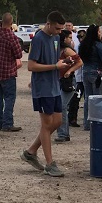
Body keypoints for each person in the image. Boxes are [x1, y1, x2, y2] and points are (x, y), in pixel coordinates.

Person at [21, 11, 70, 177]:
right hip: (43, 88)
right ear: (48, 24)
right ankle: (50, 164)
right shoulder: (38, 39)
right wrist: (55, 67)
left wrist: (64, 63)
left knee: (57, 122)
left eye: (61, 29)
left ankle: (31, 151)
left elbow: (55, 59)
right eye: (57, 28)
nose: (59, 31)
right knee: (46, 124)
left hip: (54, 86)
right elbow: (31, 66)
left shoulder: (56, 38)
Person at [0, 13, 23, 132]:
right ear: (11, 22)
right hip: (8, 72)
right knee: (9, 98)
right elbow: (19, 54)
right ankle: (7, 123)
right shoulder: (12, 37)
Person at [79, 24, 102, 130]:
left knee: (88, 98)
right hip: (98, 72)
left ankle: (87, 123)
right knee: (98, 98)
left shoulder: (83, 44)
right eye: (99, 31)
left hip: (86, 71)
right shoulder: (98, 45)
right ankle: (96, 122)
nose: (100, 33)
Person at [54, 30, 83, 142]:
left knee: (62, 106)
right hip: (60, 80)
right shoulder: (59, 49)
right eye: (69, 37)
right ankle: (63, 133)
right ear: (64, 38)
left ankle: (63, 133)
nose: (71, 40)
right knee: (60, 106)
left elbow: (80, 62)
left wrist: (70, 71)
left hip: (68, 80)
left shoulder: (67, 50)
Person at [70, 29, 86, 127]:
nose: (81, 39)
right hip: (78, 76)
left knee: (77, 98)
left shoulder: (85, 46)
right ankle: (72, 118)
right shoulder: (76, 47)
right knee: (76, 98)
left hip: (82, 76)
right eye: (80, 37)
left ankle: (73, 117)